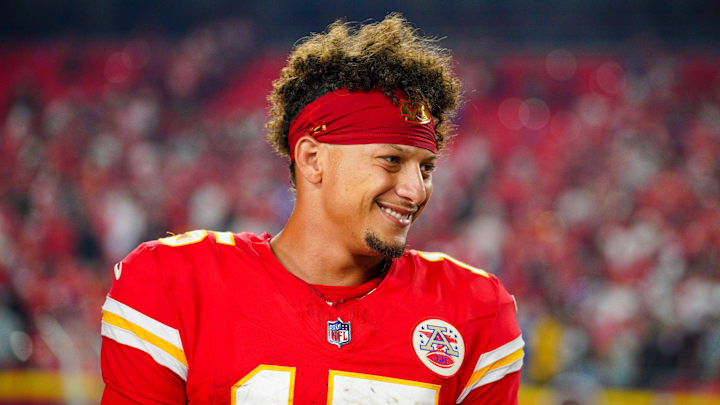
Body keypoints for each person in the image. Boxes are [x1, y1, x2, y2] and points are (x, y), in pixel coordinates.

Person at [100, 14, 524, 404]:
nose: (416, 190)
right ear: (312, 159)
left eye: (426, 168)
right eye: (391, 160)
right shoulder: (174, 283)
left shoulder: (475, 311)